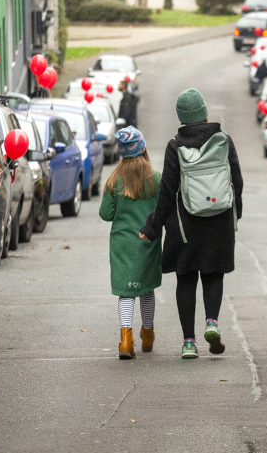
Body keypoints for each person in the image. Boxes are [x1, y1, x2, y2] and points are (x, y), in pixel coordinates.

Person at [140, 88, 243, 359]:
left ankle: (188, 342)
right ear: (204, 112)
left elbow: (166, 192)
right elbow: (237, 182)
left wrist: (152, 228)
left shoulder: (176, 146)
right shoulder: (223, 141)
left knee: (186, 280)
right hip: (219, 219)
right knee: (213, 274)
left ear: (182, 118)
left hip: (184, 226)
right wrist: (236, 214)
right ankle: (212, 322)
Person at [99, 126, 163, 360]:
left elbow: (105, 214)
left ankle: (125, 339)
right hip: (148, 244)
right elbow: (163, 210)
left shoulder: (114, 181)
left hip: (122, 247)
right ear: (143, 149)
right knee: (146, 290)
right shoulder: (155, 179)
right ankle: (147, 333)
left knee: (126, 293)